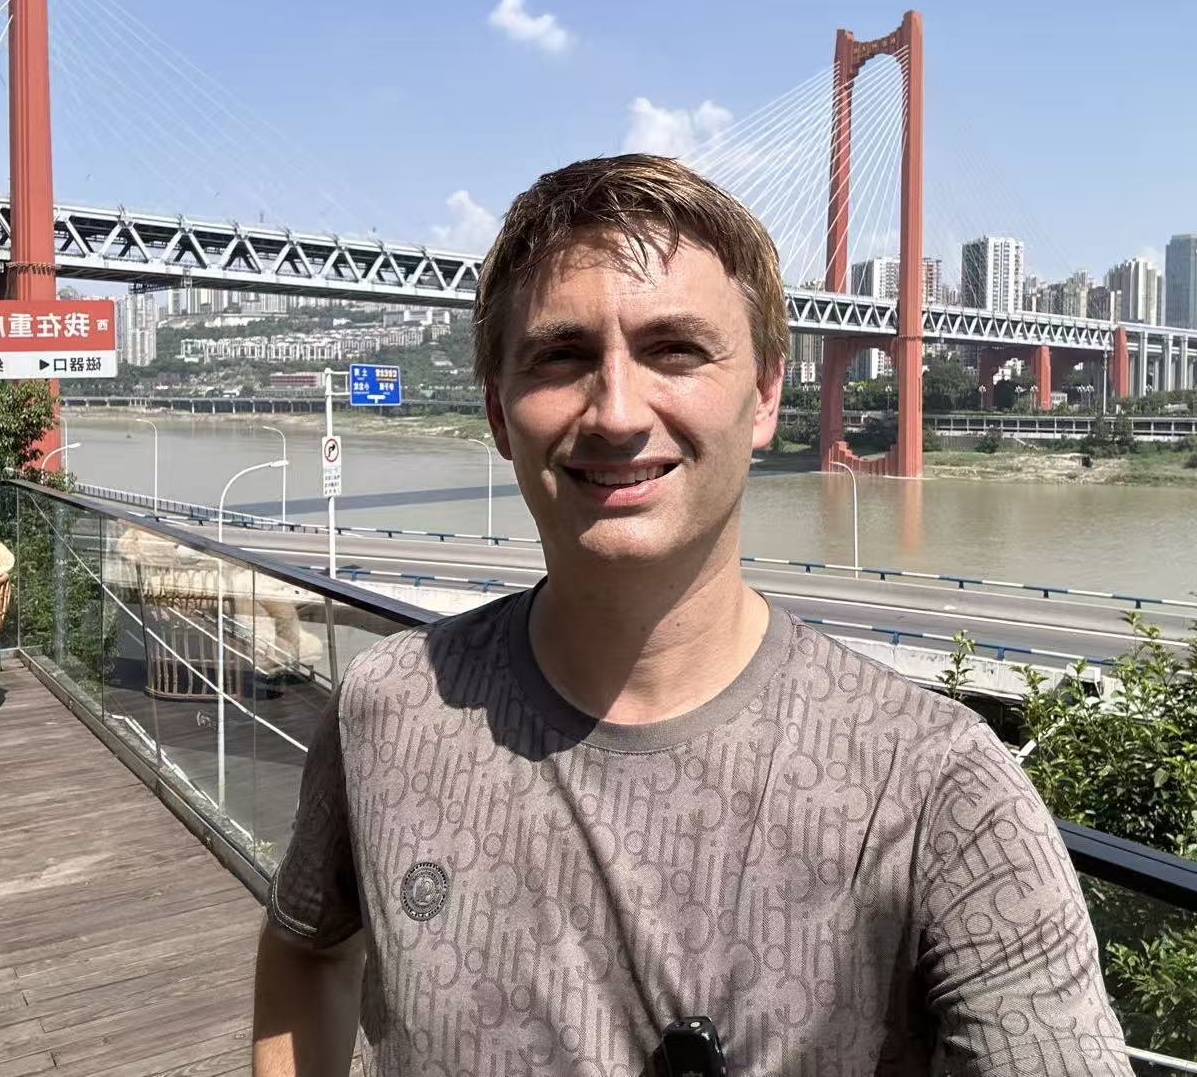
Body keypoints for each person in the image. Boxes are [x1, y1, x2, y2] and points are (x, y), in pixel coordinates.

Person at [252, 154, 1131, 1075]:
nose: (617, 412)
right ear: (498, 413)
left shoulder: (937, 789)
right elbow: (307, 947)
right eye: (561, 356)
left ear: (765, 396)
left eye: (674, 349)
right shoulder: (386, 707)